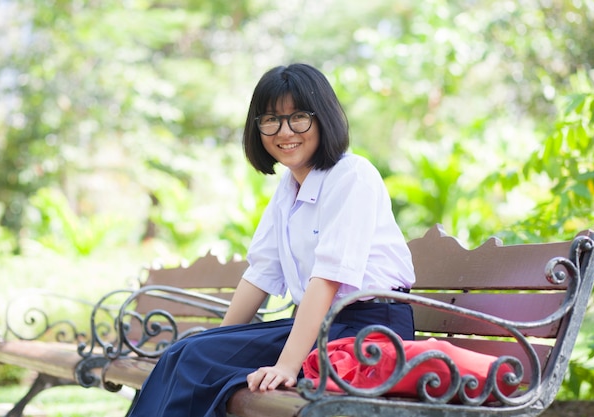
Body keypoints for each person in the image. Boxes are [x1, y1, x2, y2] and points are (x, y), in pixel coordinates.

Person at [127, 63, 416, 417]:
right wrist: (217, 341)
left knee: (194, 359)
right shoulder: (288, 188)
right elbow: (260, 272)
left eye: (298, 117)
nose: (285, 131)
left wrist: (287, 366)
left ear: (323, 117)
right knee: (187, 353)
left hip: (368, 334)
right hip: (325, 327)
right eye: (270, 120)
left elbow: (327, 278)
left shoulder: (351, 176)